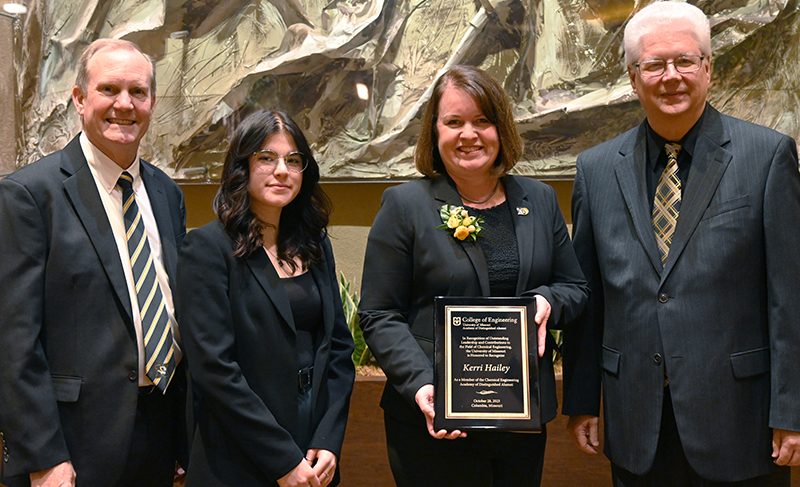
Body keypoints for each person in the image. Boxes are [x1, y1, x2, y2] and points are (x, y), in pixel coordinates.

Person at [562, 2, 800, 485]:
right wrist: (583, 401)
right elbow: (590, 298)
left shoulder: (767, 156)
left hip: (740, 423)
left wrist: (791, 410)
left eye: (685, 61)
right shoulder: (596, 170)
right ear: (633, 77)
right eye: (653, 65)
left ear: (708, 68)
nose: (671, 76)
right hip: (635, 425)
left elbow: (789, 298)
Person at [358, 64, 589, 487]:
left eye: (483, 121)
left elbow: (575, 289)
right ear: (435, 132)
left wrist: (545, 301)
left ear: (501, 130)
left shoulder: (537, 200)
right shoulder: (405, 206)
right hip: (432, 416)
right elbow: (378, 314)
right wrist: (422, 385)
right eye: (454, 122)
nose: (470, 134)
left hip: (520, 417)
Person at [0, 39, 187, 487]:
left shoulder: (167, 194)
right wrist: (43, 456)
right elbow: (13, 341)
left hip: (160, 430)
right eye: (109, 89)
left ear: (152, 103)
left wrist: (184, 437)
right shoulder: (30, 194)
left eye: (138, 92)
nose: (125, 104)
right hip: (73, 444)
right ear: (80, 99)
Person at [176, 109, 355, 487]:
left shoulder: (314, 242)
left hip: (314, 447)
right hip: (240, 449)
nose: (282, 171)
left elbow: (338, 348)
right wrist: (283, 460)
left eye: (293, 160)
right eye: (266, 158)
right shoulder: (207, 248)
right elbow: (214, 370)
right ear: (242, 166)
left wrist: (328, 440)